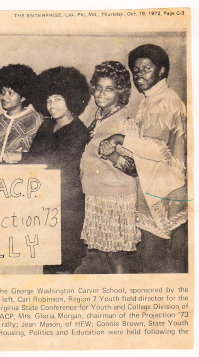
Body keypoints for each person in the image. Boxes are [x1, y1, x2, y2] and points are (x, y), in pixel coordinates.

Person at [101, 44, 188, 273]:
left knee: (165, 271)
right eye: (136, 70)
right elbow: (140, 155)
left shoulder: (167, 100)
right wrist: (114, 152)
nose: (139, 75)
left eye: (146, 69)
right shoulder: (148, 102)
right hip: (151, 194)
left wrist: (121, 138)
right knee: (153, 267)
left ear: (161, 71)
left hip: (167, 197)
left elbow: (158, 150)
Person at [20, 66, 90, 274]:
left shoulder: (79, 131)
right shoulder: (45, 126)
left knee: (63, 262)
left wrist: (22, 158)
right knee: (43, 262)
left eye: (57, 99)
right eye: (48, 100)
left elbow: (56, 161)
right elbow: (33, 157)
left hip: (67, 205)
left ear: (72, 99)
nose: (51, 106)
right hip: (42, 201)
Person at [77, 61, 140, 274]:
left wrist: (112, 155)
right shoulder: (96, 115)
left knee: (116, 255)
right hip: (96, 195)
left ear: (120, 91)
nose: (101, 93)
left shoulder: (126, 121)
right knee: (104, 254)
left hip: (116, 198)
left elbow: (136, 168)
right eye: (99, 88)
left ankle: (125, 298)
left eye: (109, 89)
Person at [0, 64, 43, 163]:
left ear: (23, 97)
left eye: (10, 93)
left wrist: (21, 156)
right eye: (3, 92)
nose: (4, 97)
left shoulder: (37, 119)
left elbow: (42, 153)